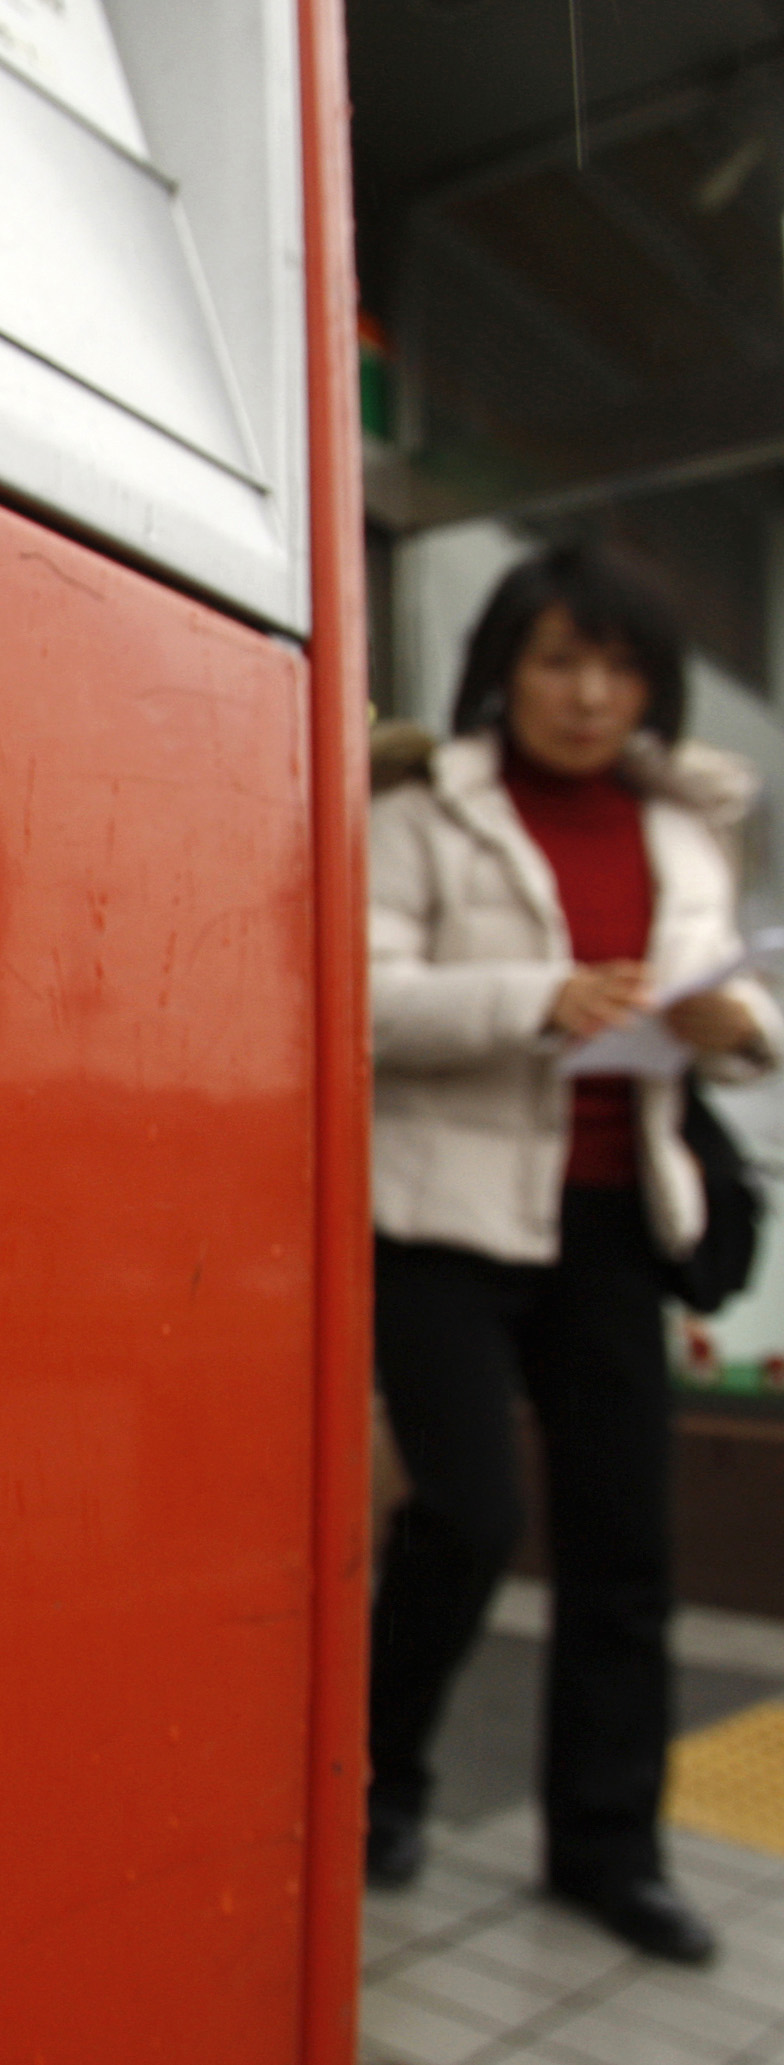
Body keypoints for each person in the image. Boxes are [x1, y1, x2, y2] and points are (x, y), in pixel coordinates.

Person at [366, 540, 780, 1965]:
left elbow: (729, 1006)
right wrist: (539, 994)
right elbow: (362, 1002)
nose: (589, 694)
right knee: (469, 1515)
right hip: (443, 1216)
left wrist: (744, 1036)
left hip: (616, 1219)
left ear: (651, 687)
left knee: (626, 1551)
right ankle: (385, 1774)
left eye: (617, 666)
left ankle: (609, 1849)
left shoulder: (683, 835)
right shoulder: (428, 813)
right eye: (557, 660)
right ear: (503, 670)